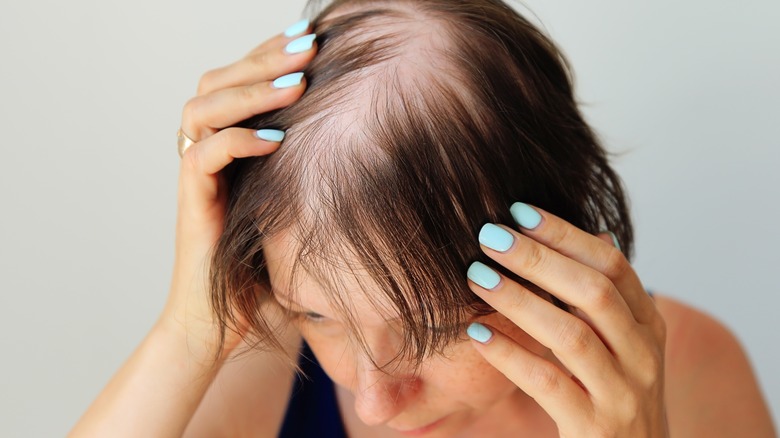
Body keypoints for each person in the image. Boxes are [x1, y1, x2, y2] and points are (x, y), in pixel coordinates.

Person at [71, 0, 776, 436]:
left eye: (433, 328)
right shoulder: (260, 374)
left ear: (557, 246)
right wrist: (188, 334)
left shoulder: (687, 373)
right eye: (318, 317)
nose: (375, 400)